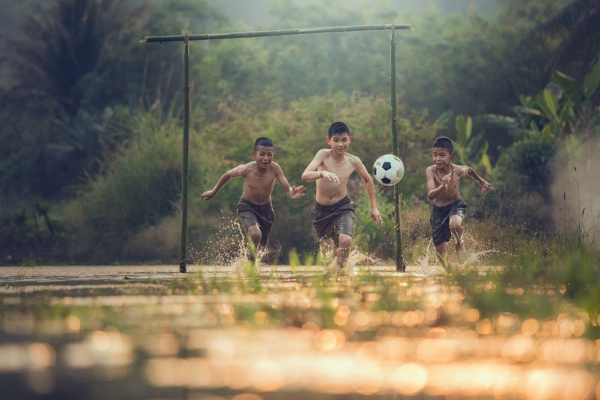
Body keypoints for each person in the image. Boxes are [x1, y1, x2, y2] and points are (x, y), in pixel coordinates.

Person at [202, 137, 305, 260]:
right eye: (262, 154)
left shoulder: (275, 168)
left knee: (261, 246)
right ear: (254, 154)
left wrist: (292, 193)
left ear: (273, 155)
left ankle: (249, 263)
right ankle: (250, 263)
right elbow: (228, 174)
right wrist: (214, 191)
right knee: (256, 234)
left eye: (269, 155)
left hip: (266, 210)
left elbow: (287, 189)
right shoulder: (246, 169)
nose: (266, 158)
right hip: (247, 207)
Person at [302, 121, 382, 270]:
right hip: (322, 210)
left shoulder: (353, 160)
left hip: (343, 206)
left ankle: (340, 274)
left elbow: (368, 179)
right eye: (336, 140)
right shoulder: (323, 155)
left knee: (345, 242)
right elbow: (305, 175)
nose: (340, 144)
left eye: (344, 140)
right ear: (329, 140)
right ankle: (331, 276)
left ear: (349, 139)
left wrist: (374, 207)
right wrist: (322, 173)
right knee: (327, 253)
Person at [426, 136, 492, 264]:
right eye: (435, 155)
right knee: (441, 257)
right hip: (438, 211)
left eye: (442, 155)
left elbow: (469, 169)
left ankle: (459, 242)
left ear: (451, 155)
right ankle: (451, 275)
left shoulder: (457, 170)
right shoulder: (431, 171)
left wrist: (482, 182)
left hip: (455, 205)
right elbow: (431, 195)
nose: (437, 159)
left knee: (455, 225)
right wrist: (442, 185)